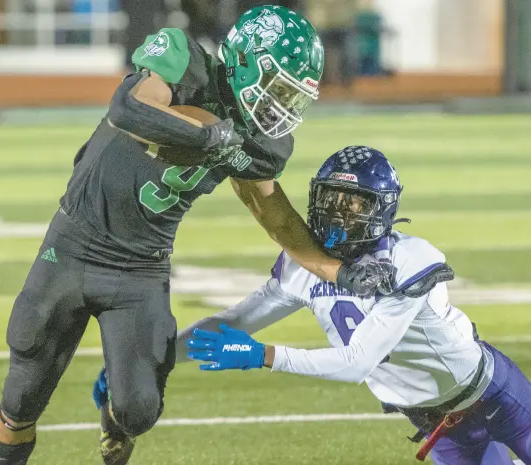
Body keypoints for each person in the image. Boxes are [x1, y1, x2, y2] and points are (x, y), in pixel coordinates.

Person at [0, 6, 394, 465]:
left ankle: (115, 416)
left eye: (293, 96)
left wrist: (338, 272)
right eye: (278, 87)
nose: (282, 106)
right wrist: (208, 138)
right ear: (244, 61)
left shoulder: (262, 143)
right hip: (75, 243)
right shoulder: (185, 61)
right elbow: (128, 109)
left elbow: (271, 212)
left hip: (141, 268)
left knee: (139, 408)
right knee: (22, 395)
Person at [184, 146, 531, 465]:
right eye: (330, 198)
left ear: (382, 208)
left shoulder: (406, 259)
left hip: (493, 394)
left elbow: (356, 362)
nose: (338, 212)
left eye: (354, 202)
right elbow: (237, 320)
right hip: (435, 420)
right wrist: (157, 355)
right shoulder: (301, 267)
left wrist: (263, 355)